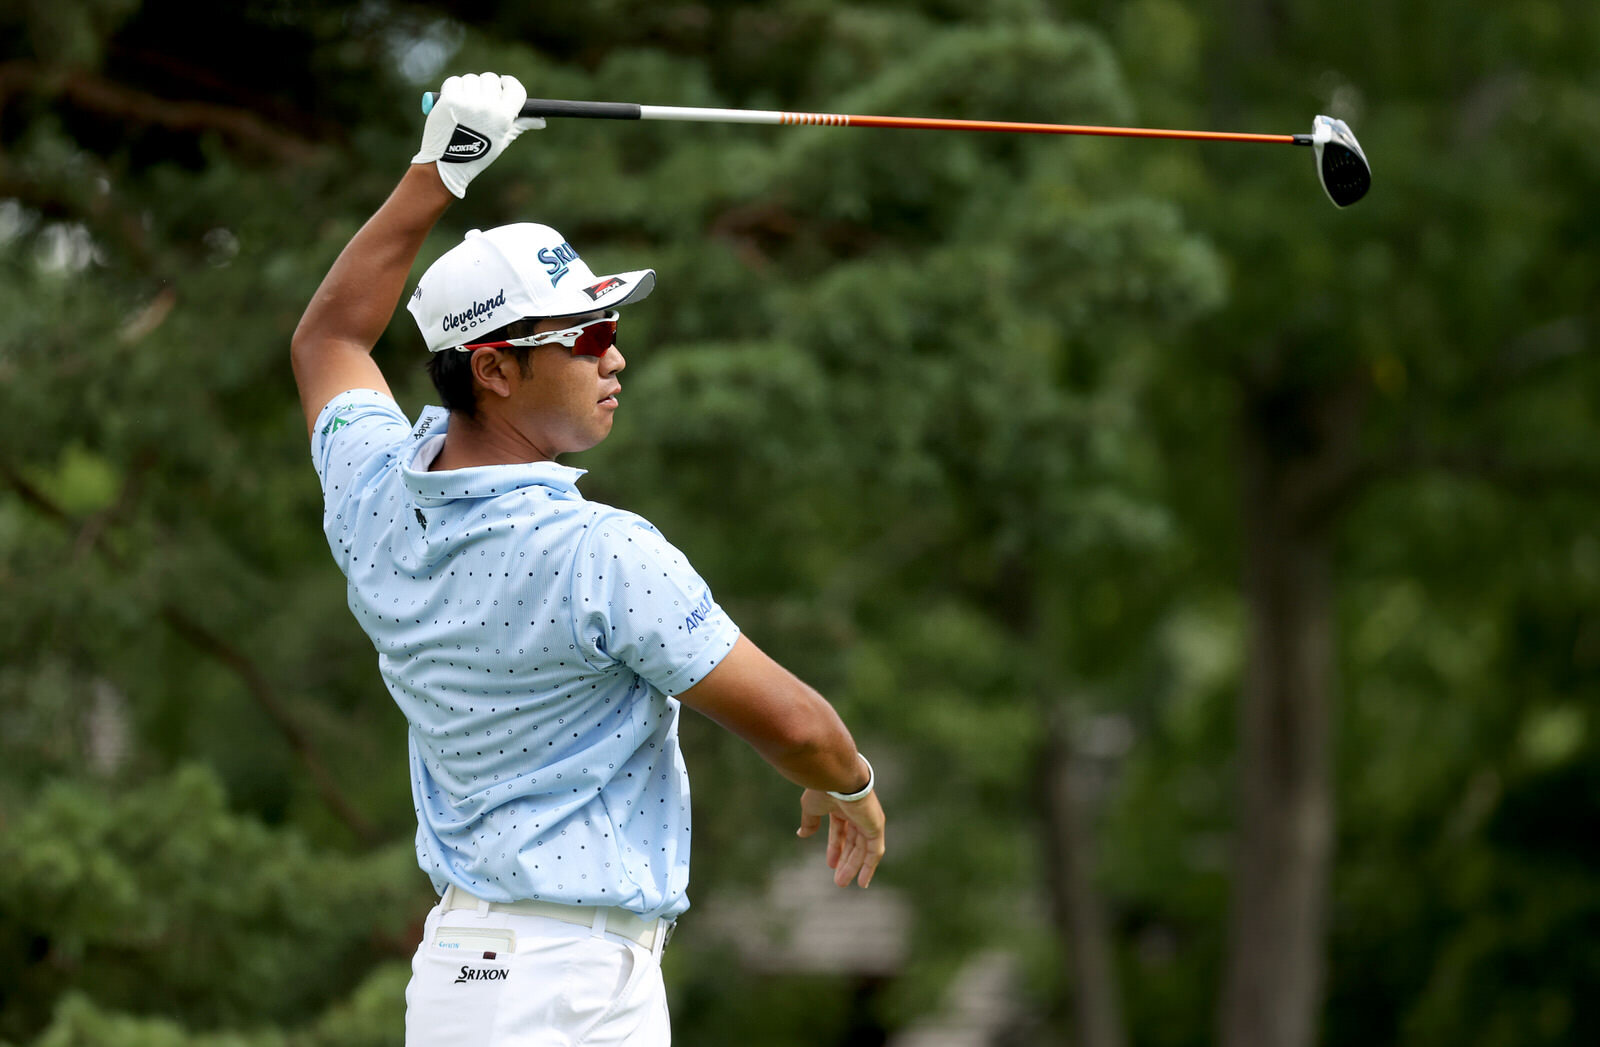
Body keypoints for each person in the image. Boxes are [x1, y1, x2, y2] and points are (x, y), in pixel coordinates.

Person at [290, 72, 886, 1045]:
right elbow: (794, 723)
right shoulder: (600, 555)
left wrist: (436, 172)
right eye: (588, 334)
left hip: (479, 977)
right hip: (558, 988)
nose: (615, 357)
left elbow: (328, 337)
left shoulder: (370, 490)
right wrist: (849, 782)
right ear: (494, 368)